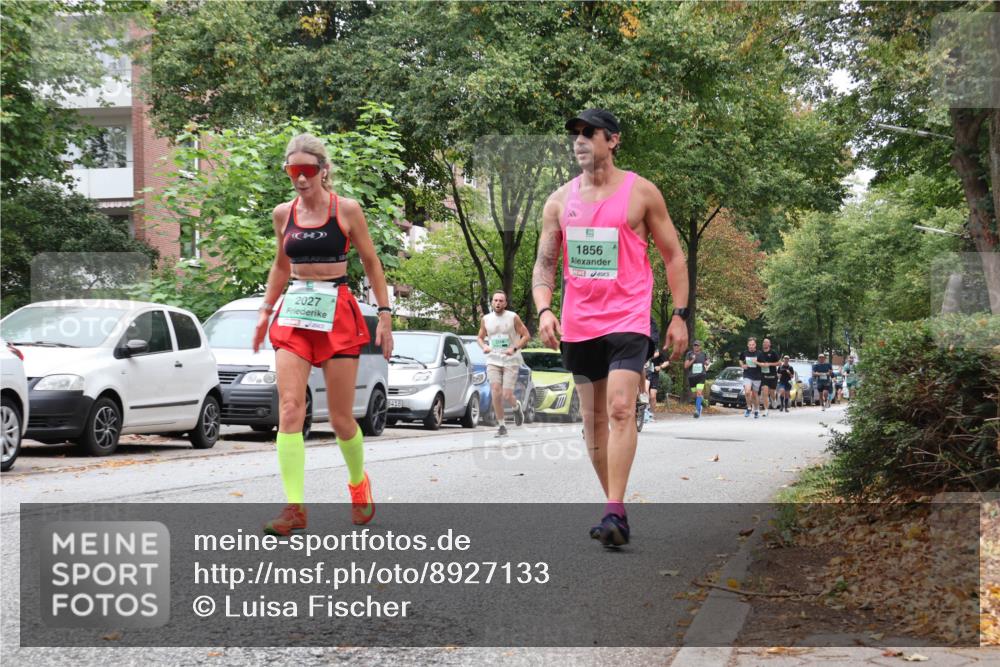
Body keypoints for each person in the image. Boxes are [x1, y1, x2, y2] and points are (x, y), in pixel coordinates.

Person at [532, 108, 689, 548]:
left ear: (613, 140)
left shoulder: (641, 193)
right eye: (574, 134)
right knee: (592, 421)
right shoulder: (559, 202)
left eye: (589, 132)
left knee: (621, 408)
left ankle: (613, 508)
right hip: (580, 324)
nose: (579, 140)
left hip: (628, 319)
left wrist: (681, 314)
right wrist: (545, 310)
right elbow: (544, 264)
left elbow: (674, 255)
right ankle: (614, 510)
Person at [252, 133, 394, 536]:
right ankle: (294, 508)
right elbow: (281, 266)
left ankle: (357, 483)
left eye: (307, 170)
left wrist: (384, 316)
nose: (300, 179)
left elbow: (371, 263)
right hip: (295, 314)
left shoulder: (346, 210)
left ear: (323, 170)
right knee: (291, 409)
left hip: (337, 312)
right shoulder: (284, 214)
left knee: (340, 418)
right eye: (292, 171)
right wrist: (265, 310)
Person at [477, 290, 531, 437]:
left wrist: (513, 348)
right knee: (495, 391)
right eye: (495, 300)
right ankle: (501, 426)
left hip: (511, 360)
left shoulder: (513, 317)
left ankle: (516, 406)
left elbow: (526, 335)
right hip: (493, 359)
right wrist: (485, 347)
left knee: (507, 394)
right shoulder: (486, 319)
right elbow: (480, 337)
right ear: (492, 302)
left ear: (505, 303)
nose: (498, 303)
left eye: (501, 301)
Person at [684, 340, 709, 418]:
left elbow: (707, 361)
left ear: (700, 347)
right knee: (695, 395)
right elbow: (686, 366)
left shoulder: (704, 354)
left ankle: (697, 411)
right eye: (695, 345)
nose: (696, 347)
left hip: (701, 376)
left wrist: (707, 363)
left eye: (697, 345)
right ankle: (701, 404)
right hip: (692, 377)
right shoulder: (689, 354)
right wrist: (693, 360)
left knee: (698, 393)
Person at [739, 337, 763, 419]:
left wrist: (756, 362)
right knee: (747, 392)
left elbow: (763, 364)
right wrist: (742, 365)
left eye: (753, 345)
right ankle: (749, 408)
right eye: (750, 345)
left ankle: (756, 410)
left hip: (757, 376)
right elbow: (740, 360)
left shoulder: (759, 353)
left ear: (755, 345)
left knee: (755, 394)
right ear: (747, 345)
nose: (751, 346)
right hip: (747, 375)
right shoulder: (744, 353)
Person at [757, 338, 780, 417]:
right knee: (765, 392)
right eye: (764, 342)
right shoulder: (760, 353)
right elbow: (758, 363)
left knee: (772, 392)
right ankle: (766, 410)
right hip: (764, 375)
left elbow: (779, 363)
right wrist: (761, 364)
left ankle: (774, 399)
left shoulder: (773, 352)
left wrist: (769, 364)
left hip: (773, 375)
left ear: (769, 344)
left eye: (767, 342)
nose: (765, 344)